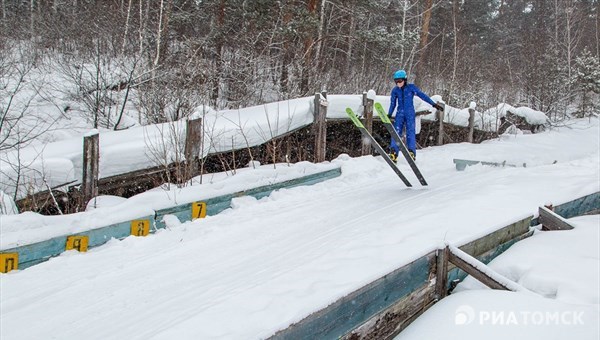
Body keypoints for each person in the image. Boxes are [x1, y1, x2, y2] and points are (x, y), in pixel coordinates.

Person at [388, 69, 443, 161]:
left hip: (410, 113)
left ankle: (411, 152)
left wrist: (433, 104)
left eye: (400, 81)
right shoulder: (395, 90)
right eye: (396, 81)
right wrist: (389, 114)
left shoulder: (411, 88)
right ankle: (394, 152)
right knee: (396, 132)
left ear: (405, 80)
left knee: (410, 132)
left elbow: (422, 96)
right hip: (400, 114)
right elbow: (392, 103)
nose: (398, 83)